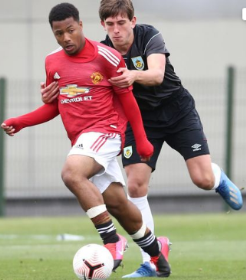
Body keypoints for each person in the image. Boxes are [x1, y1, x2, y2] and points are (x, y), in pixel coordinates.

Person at [40, 0, 244, 278]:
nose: (116, 30)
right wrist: (54, 96)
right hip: (140, 121)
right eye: (110, 24)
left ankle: (217, 177)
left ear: (133, 21)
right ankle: (150, 260)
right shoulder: (103, 53)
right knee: (135, 185)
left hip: (177, 111)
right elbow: (87, 87)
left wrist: (133, 74)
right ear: (102, 26)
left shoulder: (150, 35)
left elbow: (158, 74)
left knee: (202, 179)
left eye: (122, 23)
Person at [1, 3, 172, 277]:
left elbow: (128, 101)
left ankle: (111, 241)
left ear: (81, 25)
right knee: (117, 204)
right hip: (83, 140)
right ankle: (156, 250)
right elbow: (56, 105)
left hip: (106, 130)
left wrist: (141, 141)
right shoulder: (52, 62)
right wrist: (20, 121)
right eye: (59, 33)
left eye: (70, 30)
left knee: (71, 173)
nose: (66, 38)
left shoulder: (107, 56)